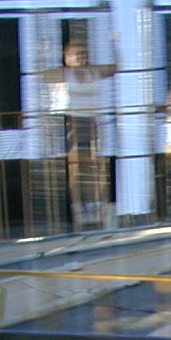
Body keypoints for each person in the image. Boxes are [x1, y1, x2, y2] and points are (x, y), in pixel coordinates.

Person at [44, 39, 117, 228]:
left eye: (83, 53)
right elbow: (43, 75)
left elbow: (116, 67)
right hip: (71, 121)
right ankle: (77, 206)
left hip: (92, 121)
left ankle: (96, 204)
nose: (81, 58)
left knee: (96, 164)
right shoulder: (63, 74)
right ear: (67, 57)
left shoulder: (94, 71)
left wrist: (115, 41)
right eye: (76, 54)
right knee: (75, 165)